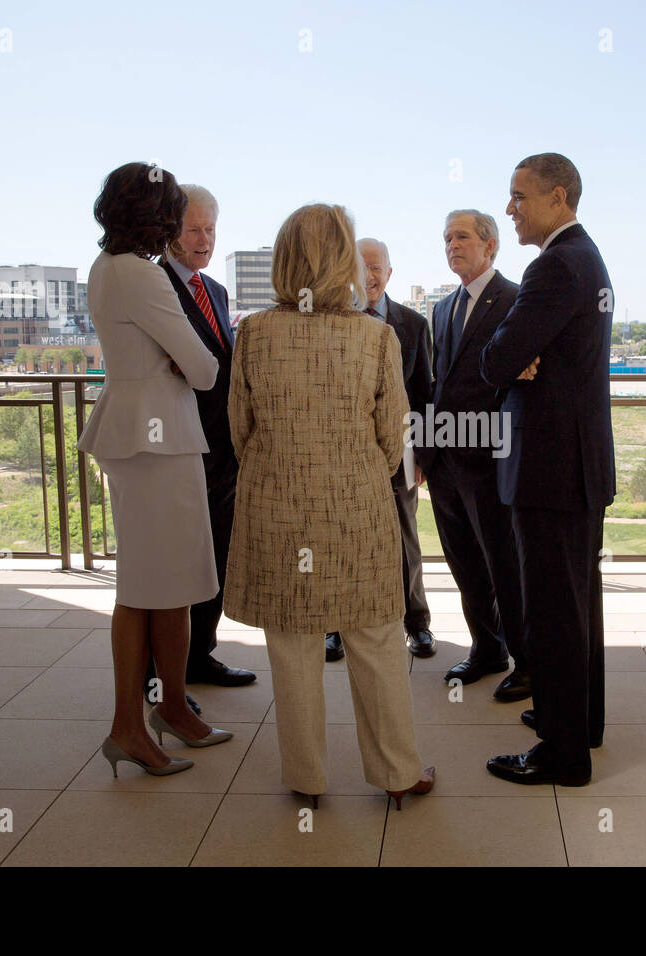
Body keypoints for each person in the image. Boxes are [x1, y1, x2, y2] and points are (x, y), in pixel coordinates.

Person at [222, 203, 434, 807]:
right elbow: (394, 438)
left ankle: (306, 780)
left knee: (292, 646)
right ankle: (398, 773)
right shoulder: (377, 335)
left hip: (277, 508)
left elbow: (241, 427)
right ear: (345, 260)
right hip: (358, 511)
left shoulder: (254, 333)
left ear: (283, 259)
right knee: (377, 641)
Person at [77, 162, 234, 778]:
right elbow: (204, 368)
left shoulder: (104, 268)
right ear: (158, 217)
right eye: (176, 213)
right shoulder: (140, 276)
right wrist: (179, 361)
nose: (183, 227)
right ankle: (127, 726)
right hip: (156, 444)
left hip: (151, 438)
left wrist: (174, 360)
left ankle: (171, 709)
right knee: (145, 589)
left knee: (170, 583)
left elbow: (182, 362)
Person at [480, 153, 614, 787]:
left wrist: (511, 355)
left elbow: (497, 358)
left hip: (549, 469)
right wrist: (518, 356)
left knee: (554, 616)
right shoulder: (587, 258)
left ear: (558, 197)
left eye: (519, 197)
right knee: (578, 606)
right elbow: (520, 356)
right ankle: (579, 723)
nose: (510, 208)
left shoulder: (554, 266)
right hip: (578, 469)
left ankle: (564, 757)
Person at [145, 184, 256, 705]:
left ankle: (199, 655)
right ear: (170, 230)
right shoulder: (153, 283)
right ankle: (160, 675)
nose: (205, 239)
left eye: (211, 229)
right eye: (194, 229)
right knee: (175, 567)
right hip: (178, 449)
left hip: (222, 451)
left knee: (214, 558)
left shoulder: (214, 290)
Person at [418, 210, 529, 702]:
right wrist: (424, 451)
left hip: (490, 459)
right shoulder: (442, 309)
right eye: (446, 238)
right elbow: (437, 384)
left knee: (504, 564)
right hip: (444, 462)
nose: (452, 245)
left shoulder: (516, 299)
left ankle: (527, 664)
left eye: (461, 236)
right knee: (464, 564)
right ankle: (487, 649)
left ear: (490, 246)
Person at [325, 239, 436, 663]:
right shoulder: (335, 321)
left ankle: (417, 625)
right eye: (360, 267)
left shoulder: (412, 323)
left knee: (405, 536)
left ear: (390, 273)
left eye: (377, 267)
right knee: (339, 537)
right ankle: (335, 627)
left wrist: (423, 453)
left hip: (401, 450)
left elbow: (424, 392)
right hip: (345, 453)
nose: (369, 276)